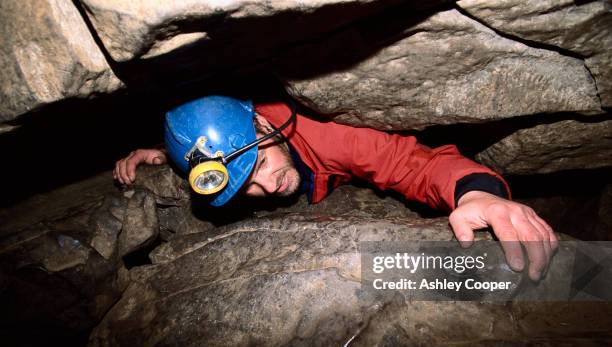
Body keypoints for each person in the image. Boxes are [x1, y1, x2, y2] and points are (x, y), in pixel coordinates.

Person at [114, 96, 557, 281]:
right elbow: (204, 146)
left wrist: (476, 192)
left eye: (262, 163)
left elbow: (409, 164)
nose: (268, 186)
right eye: (245, 185)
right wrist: (156, 152)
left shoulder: (326, 134)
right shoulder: (225, 144)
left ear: (266, 125)